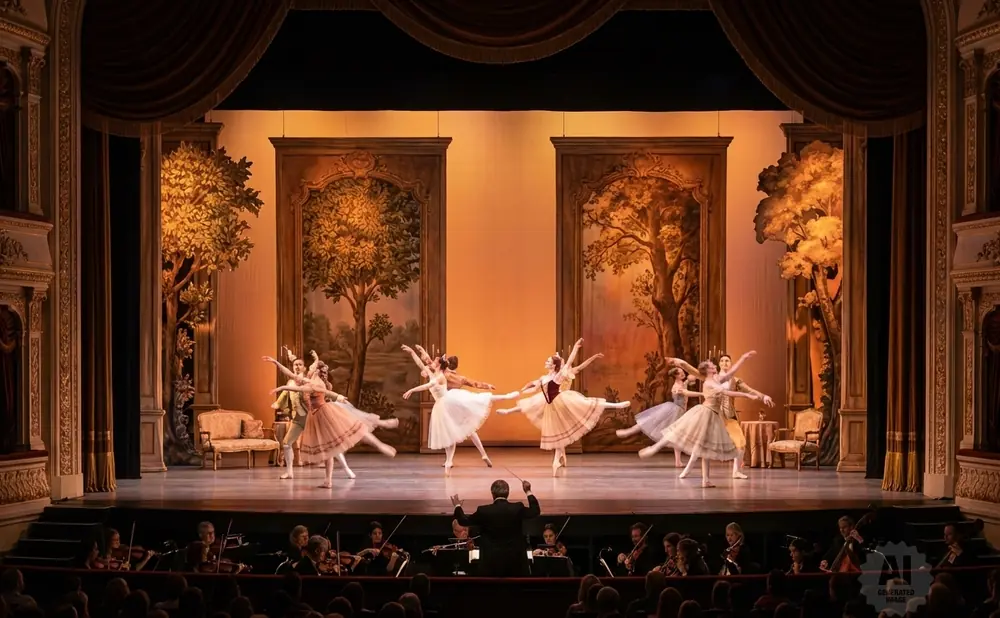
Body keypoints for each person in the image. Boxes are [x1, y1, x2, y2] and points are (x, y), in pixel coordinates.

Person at [498, 339, 630, 475]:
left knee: (587, 403)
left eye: (548, 361)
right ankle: (558, 459)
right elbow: (534, 384)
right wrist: (524, 390)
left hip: (562, 400)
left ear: (554, 365)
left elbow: (572, 363)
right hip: (550, 404)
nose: (546, 362)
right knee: (545, 418)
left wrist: (576, 347)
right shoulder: (544, 377)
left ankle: (616, 405)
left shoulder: (560, 375)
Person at [266, 351, 396, 487]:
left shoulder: (312, 382)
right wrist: (276, 363)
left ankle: (378, 439)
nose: (305, 369)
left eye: (309, 367)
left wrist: (281, 387)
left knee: (340, 439)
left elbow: (322, 391)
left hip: (321, 414)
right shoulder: (307, 380)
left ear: (312, 370)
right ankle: (325, 479)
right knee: (333, 444)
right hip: (311, 416)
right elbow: (291, 375)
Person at [643, 352, 761, 487]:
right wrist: (747, 396)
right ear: (708, 371)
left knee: (705, 449)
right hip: (706, 413)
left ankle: (705, 480)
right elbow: (726, 392)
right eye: (712, 365)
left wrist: (743, 358)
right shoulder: (710, 382)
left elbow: (731, 374)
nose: (715, 365)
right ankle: (654, 448)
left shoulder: (716, 380)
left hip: (713, 415)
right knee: (681, 431)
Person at [402, 346, 519, 471]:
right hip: (450, 404)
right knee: (467, 427)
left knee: (461, 427)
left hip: (449, 403)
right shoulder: (441, 374)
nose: (430, 363)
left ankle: (450, 461)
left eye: (434, 362)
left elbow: (428, 379)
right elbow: (422, 364)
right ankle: (469, 457)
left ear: (441, 365)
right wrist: (413, 352)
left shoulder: (440, 376)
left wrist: (412, 389)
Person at [451, 479, 540, 576]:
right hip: (515, 564)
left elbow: (463, 521)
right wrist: (528, 491)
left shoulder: (483, 511)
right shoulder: (517, 508)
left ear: (492, 494)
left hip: (490, 565)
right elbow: (535, 511)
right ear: (508, 493)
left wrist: (457, 506)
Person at [617, 368, 700, 467]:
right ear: (675, 376)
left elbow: (687, 383)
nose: (682, 374)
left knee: (676, 436)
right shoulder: (677, 386)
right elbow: (686, 393)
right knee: (652, 421)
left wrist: (690, 379)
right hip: (675, 411)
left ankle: (678, 461)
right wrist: (701, 393)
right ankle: (629, 431)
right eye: (680, 373)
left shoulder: (681, 383)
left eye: (682, 372)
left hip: (680, 411)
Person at [715, 353, 775, 479]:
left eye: (727, 361)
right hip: (714, 414)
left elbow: (749, 390)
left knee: (741, 443)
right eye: (722, 360)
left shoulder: (736, 380)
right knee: (701, 442)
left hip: (729, 415)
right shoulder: (713, 378)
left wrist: (763, 396)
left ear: (731, 364)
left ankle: (736, 471)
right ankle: (688, 470)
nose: (725, 363)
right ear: (719, 363)